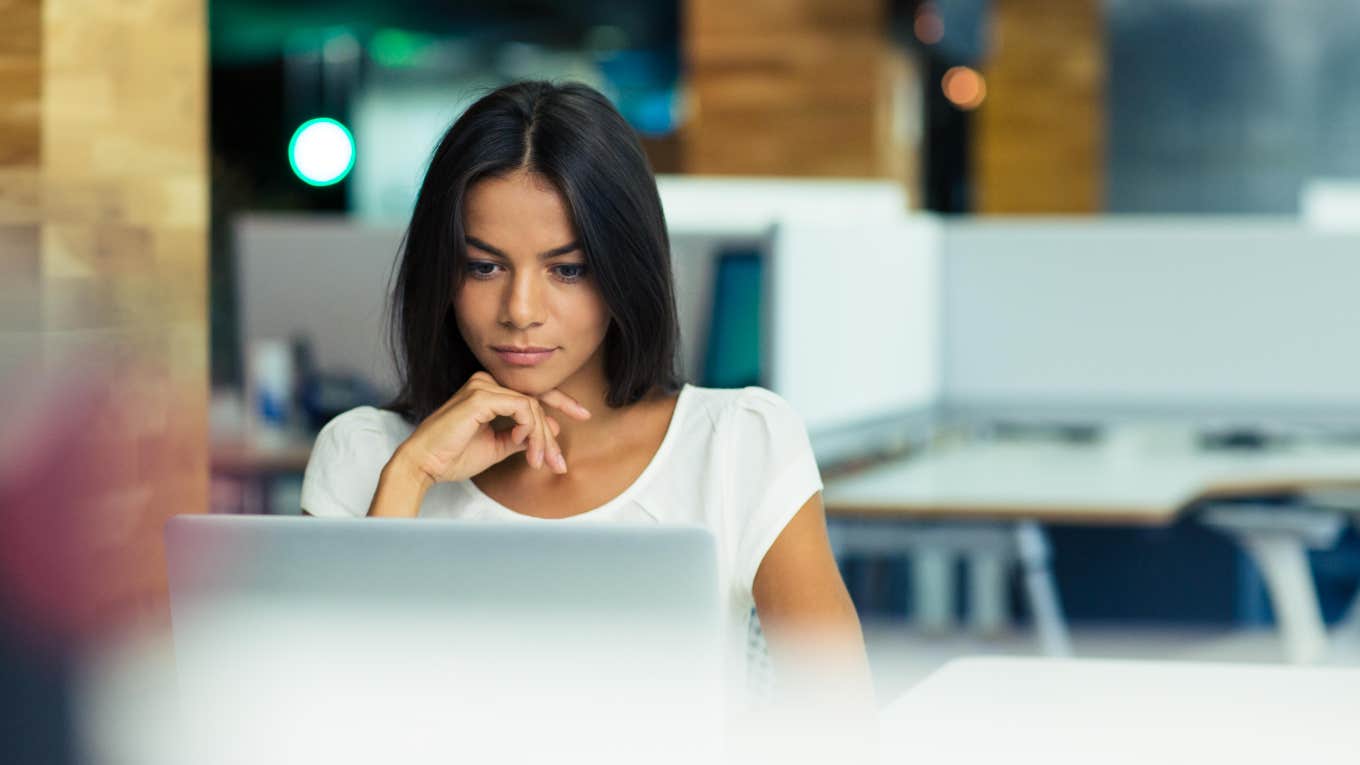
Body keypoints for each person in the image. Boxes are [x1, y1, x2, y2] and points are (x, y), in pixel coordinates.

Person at [299, 81, 873, 726]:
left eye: (566, 270)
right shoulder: (364, 456)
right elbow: (325, 726)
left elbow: (842, 727)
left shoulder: (740, 443)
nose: (520, 311)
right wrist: (409, 479)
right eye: (483, 267)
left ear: (623, 270)